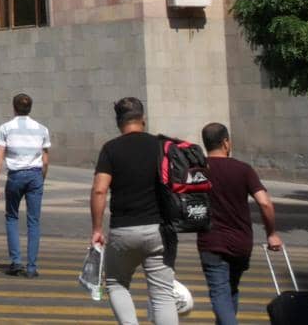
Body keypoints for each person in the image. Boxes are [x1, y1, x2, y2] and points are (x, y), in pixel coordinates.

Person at [91, 97, 177, 325]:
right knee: (162, 295)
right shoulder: (161, 146)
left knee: (116, 283)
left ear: (119, 122)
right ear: (143, 120)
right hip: (159, 230)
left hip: (123, 230)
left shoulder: (111, 149)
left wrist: (97, 229)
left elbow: (100, 191)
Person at [195, 123, 280, 325]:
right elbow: (265, 202)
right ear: (226, 142)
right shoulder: (243, 170)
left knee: (220, 293)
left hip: (211, 242)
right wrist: (272, 233)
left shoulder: (197, 171)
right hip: (241, 243)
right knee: (230, 290)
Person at [0, 92, 51, 277]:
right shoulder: (42, 129)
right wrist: (42, 178)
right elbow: (46, 159)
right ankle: (32, 267)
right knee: (34, 221)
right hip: (35, 176)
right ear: (30, 108)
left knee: (12, 217)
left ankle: (16, 262)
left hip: (15, 176)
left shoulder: (5, 128)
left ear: (14, 107)